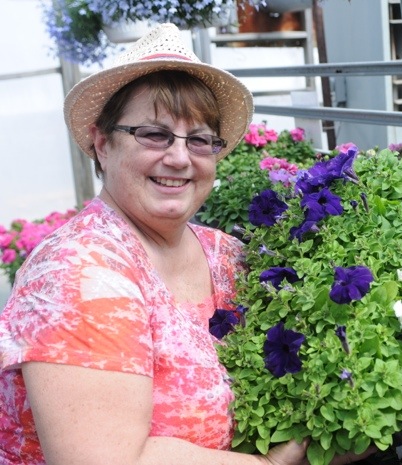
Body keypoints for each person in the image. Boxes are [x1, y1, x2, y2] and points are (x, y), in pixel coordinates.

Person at [0, 23, 374, 465]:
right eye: (154, 134)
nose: (179, 158)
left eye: (199, 139)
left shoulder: (226, 254)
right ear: (102, 143)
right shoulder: (76, 274)